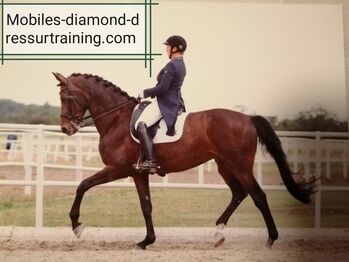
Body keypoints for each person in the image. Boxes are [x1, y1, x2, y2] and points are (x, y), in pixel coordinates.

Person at [135, 35, 187, 174]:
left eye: (168, 47)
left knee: (141, 124)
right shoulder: (181, 64)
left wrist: (144, 92)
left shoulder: (172, 65)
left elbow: (163, 88)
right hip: (174, 99)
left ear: (175, 48)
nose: (166, 49)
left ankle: (151, 161)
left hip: (166, 102)